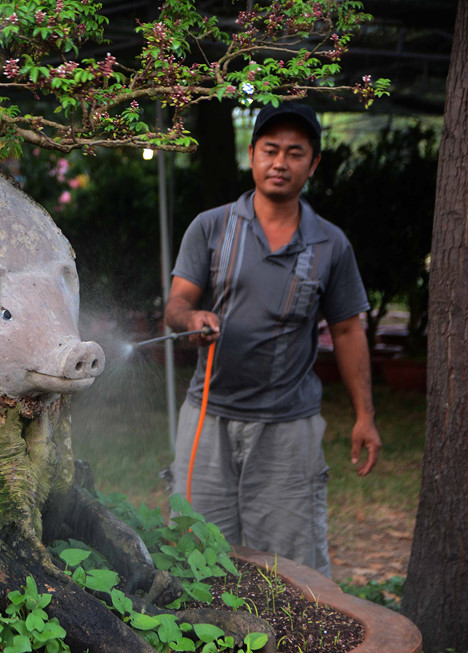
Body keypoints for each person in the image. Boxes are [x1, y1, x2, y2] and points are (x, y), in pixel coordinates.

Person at [164, 103, 382, 577]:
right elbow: (176, 304)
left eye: (295, 153)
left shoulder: (330, 244)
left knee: (293, 571)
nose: (280, 162)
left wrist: (365, 415)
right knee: (195, 560)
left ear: (313, 164)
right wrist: (192, 317)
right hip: (208, 418)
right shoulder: (212, 227)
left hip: (288, 428)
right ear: (252, 155)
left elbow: (347, 330)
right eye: (270, 150)